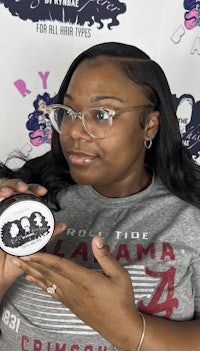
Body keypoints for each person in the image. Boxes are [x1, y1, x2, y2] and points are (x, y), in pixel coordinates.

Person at [0, 42, 200, 351]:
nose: (74, 132)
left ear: (149, 125)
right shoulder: (26, 205)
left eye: (101, 113)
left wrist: (131, 332)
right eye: (67, 112)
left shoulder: (191, 214)